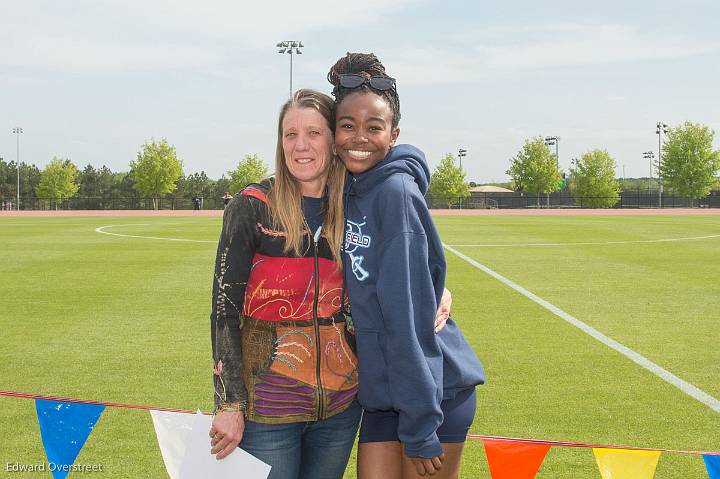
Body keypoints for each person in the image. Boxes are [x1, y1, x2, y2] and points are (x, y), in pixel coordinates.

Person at [208, 88, 453, 479]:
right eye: (290, 134)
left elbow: (397, 265)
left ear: (333, 142)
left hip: (341, 406)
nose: (300, 146)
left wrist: (438, 289)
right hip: (269, 407)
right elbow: (224, 311)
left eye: (313, 133)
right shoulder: (251, 205)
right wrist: (229, 402)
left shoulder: (356, 202)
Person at [327, 53, 485, 479]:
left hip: (434, 393)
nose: (359, 138)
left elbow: (408, 319)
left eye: (374, 128)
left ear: (393, 135)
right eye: (347, 126)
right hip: (381, 394)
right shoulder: (347, 188)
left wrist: (419, 427)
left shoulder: (395, 193)